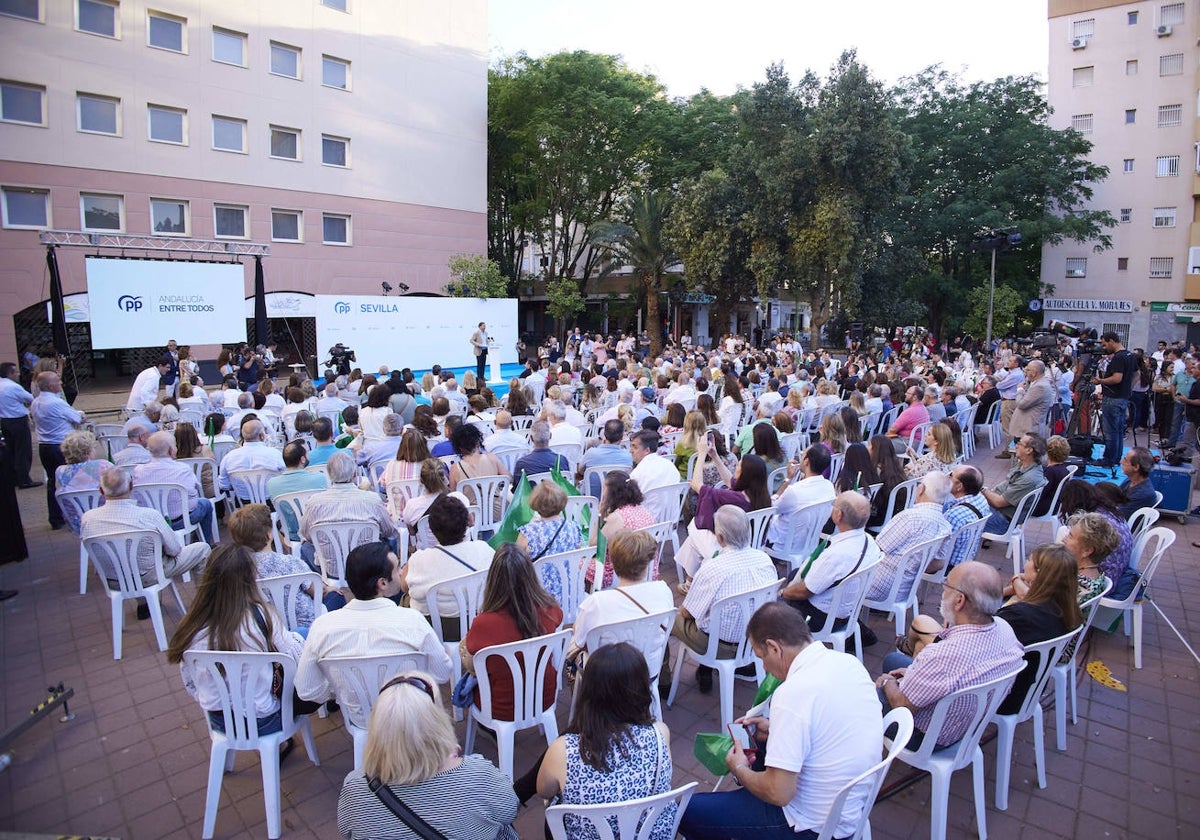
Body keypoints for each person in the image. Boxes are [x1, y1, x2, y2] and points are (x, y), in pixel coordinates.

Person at [678, 601, 883, 840]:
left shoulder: (793, 693)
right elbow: (826, 724)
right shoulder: (848, 663)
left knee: (686, 809)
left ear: (774, 648)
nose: (763, 667)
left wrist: (740, 769)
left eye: (761, 657)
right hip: (848, 808)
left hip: (809, 825)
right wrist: (775, 729)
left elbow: (779, 793)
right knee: (761, 747)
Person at [337, 671, 519, 839]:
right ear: (437, 722)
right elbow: (510, 809)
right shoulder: (478, 775)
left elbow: (346, 830)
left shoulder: (355, 788)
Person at [168, 544, 317, 742]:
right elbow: (294, 659)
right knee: (303, 635)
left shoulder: (191, 625)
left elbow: (191, 683)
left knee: (296, 635)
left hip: (220, 721)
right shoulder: (261, 616)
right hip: (265, 719)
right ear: (249, 579)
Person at [875, 561, 1024, 748]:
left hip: (926, 737)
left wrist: (888, 682)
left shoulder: (943, 655)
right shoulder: (1005, 630)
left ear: (959, 600)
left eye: (947, 586)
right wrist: (915, 675)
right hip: (966, 724)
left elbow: (902, 706)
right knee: (892, 660)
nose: (943, 592)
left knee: (863, 695)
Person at [534, 643, 676, 838]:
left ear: (589, 691)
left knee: (553, 815)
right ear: (642, 689)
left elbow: (544, 790)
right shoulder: (660, 733)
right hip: (651, 834)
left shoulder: (562, 751)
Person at [297, 541, 452, 714]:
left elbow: (306, 690)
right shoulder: (413, 621)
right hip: (408, 717)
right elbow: (442, 673)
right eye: (397, 569)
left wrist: (339, 691)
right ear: (382, 583)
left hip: (360, 720)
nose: (402, 572)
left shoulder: (322, 627)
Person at [663, 505, 777, 694]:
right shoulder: (765, 560)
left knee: (666, 618)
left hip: (718, 646)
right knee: (714, 617)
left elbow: (687, 612)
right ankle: (705, 670)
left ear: (720, 538)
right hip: (754, 640)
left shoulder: (713, 568)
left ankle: (663, 682)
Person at [84, 468, 211, 616]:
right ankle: (205, 604)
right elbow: (175, 550)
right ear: (131, 487)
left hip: (113, 579)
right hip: (151, 574)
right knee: (203, 549)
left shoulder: (88, 519)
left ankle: (144, 605)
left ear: (101, 490)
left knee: (129, 559)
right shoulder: (148, 515)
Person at [461, 544, 563, 720]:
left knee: (468, 660)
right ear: (530, 575)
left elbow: (471, 662)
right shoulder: (550, 609)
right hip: (544, 696)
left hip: (500, 706)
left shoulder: (484, 623)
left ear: (493, 579)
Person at [995, 542, 1084, 715]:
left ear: (1038, 573)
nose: (1025, 562)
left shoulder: (1021, 616)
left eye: (1029, 559)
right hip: (1030, 689)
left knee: (926, 627)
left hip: (1002, 695)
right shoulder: (1068, 610)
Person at [781, 491, 881, 634]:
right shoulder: (869, 542)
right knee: (795, 574)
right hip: (845, 610)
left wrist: (782, 592)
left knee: (773, 607)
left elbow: (804, 591)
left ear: (838, 515)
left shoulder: (837, 554)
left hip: (822, 618)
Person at [401, 494, 495, 638]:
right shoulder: (484, 550)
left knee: (405, 598)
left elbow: (403, 586)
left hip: (430, 629)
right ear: (468, 522)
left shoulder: (417, 560)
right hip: (476, 623)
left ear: (432, 529)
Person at [675, 443, 771, 584]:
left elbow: (696, 485)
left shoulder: (733, 497)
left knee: (694, 527)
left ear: (745, 473)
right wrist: (714, 456)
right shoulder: (760, 495)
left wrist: (701, 454)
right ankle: (690, 581)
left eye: (739, 465)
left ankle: (690, 581)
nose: (736, 466)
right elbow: (729, 481)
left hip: (730, 548)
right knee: (693, 541)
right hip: (752, 544)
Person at [571, 529, 674, 659]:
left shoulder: (596, 603)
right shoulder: (663, 591)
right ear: (647, 564)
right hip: (649, 672)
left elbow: (579, 640)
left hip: (606, 675)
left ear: (613, 563)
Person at [228, 504, 327, 626]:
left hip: (265, 627)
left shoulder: (234, 570)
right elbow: (317, 592)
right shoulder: (290, 563)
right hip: (306, 624)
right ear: (269, 534)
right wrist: (329, 589)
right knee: (335, 597)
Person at [299, 451, 397, 568]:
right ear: (355, 474)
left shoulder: (314, 503)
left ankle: (321, 585)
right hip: (367, 566)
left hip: (331, 568)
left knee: (305, 546)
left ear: (329, 475)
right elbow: (389, 531)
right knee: (390, 539)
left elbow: (307, 534)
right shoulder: (373, 500)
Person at [864, 472, 952, 602]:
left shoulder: (910, 518)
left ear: (921, 489)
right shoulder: (945, 526)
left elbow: (876, 550)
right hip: (905, 590)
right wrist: (912, 565)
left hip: (877, 585)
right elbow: (938, 564)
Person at [132, 431, 217, 544]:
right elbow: (194, 490)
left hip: (151, 522)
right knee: (205, 504)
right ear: (171, 450)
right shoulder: (183, 468)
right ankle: (203, 544)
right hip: (180, 521)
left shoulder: (138, 471)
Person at [30, 371, 86, 529]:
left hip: (44, 445)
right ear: (50, 385)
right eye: (57, 380)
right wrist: (81, 416)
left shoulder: (36, 402)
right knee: (70, 481)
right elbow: (76, 418)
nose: (61, 383)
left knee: (52, 482)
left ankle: (55, 518)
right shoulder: (56, 402)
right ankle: (73, 516)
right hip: (60, 445)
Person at [516, 480, 584, 601]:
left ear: (536, 503)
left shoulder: (528, 532)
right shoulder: (574, 527)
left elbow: (517, 563)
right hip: (572, 595)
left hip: (540, 599)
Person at [590, 470, 655, 588]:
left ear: (612, 493)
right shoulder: (644, 510)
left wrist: (600, 514)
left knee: (578, 563)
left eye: (604, 489)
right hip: (646, 567)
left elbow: (594, 545)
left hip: (619, 570)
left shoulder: (617, 518)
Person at [768, 445, 836, 547]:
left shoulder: (794, 491)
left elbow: (772, 508)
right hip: (809, 541)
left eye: (802, 454)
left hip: (783, 543)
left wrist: (787, 480)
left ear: (806, 461)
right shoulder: (829, 487)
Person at [982, 433, 1047, 537]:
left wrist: (982, 489)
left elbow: (999, 502)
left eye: (1019, 443)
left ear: (1029, 450)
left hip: (1002, 522)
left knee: (958, 514)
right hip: (1000, 513)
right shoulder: (1025, 466)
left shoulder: (1029, 478)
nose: (1016, 445)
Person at [930, 465, 990, 573]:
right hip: (967, 557)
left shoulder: (953, 516)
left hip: (949, 566)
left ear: (959, 487)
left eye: (951, 475)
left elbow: (938, 550)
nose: (947, 477)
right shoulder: (981, 498)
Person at [54, 430, 112, 533]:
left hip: (78, 521)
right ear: (89, 451)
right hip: (105, 517)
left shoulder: (60, 471)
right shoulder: (103, 465)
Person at [1095, 330, 1136, 467]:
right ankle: (1116, 458)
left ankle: (1109, 460)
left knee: (1110, 431)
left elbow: (1117, 378)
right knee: (1118, 431)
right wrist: (1128, 388)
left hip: (1113, 398)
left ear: (1111, 341)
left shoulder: (1118, 357)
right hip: (1122, 397)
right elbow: (1136, 374)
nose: (1104, 348)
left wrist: (1100, 381)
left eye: (1105, 344)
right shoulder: (1130, 355)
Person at [1060, 510, 1118, 602]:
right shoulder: (1096, 574)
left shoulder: (1076, 586)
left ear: (1087, 551)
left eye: (1070, 536)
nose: (1064, 539)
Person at [0, 361, 38, 488]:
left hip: (5, 420)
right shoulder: (13, 386)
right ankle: (24, 479)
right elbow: (30, 398)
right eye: (16, 372)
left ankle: (14, 477)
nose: (18, 374)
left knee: (11, 450)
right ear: (10, 374)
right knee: (23, 451)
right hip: (17, 420)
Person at [576, 419, 633, 494]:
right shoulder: (628, 456)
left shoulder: (591, 453)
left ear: (604, 434)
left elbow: (580, 471)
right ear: (622, 437)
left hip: (591, 500)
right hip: (618, 500)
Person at [1117, 446, 1157, 518]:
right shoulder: (1130, 480)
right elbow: (1114, 496)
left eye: (1125, 460)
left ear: (1136, 467)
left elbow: (1117, 516)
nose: (1121, 462)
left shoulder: (1142, 495)